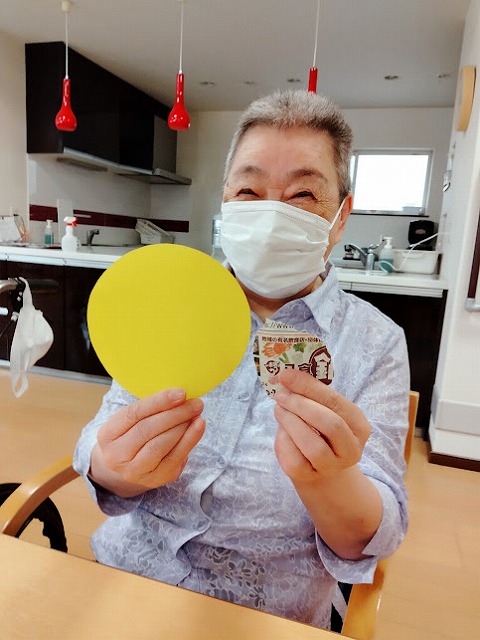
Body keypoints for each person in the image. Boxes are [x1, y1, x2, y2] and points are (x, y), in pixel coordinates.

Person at [74, 90, 409, 631]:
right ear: (226, 204)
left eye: (303, 194)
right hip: (127, 585)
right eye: (249, 190)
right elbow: (98, 443)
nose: (272, 214)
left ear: (341, 217)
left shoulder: (375, 343)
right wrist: (117, 468)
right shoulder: (171, 306)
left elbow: (371, 535)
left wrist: (328, 481)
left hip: (270, 616)